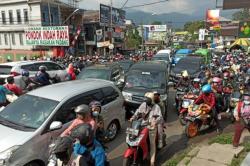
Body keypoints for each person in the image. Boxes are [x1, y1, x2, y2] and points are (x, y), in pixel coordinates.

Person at [130, 92, 163, 165]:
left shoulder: (156, 107)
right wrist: (133, 117)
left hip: (151, 127)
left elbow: (160, 117)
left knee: (152, 144)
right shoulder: (143, 104)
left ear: (151, 100)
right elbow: (138, 112)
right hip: (142, 125)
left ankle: (152, 162)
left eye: (147, 100)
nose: (146, 101)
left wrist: (155, 122)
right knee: (133, 137)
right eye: (145, 99)